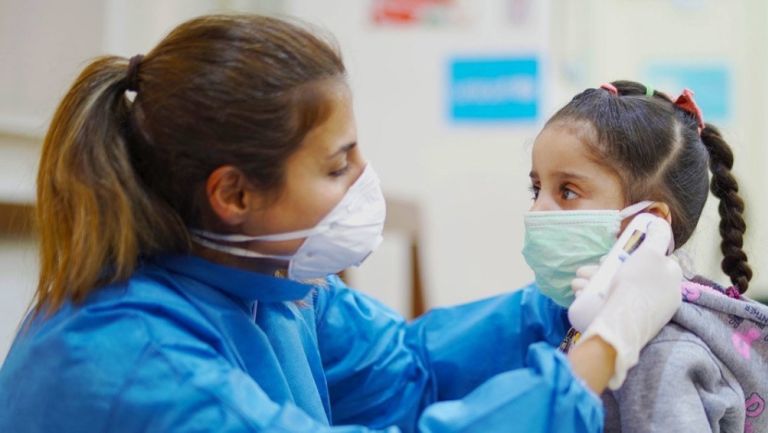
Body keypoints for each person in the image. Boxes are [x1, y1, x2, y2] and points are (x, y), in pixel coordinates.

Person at [0, 16, 682, 433]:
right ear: (233, 193)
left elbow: (414, 369)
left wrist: (571, 296)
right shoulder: (127, 359)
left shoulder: (270, 288)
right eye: (335, 165)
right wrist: (603, 349)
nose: (364, 183)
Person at [524, 80, 768, 432]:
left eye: (567, 191)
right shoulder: (578, 322)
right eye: (536, 188)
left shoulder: (658, 353)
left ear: (647, 225)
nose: (537, 210)